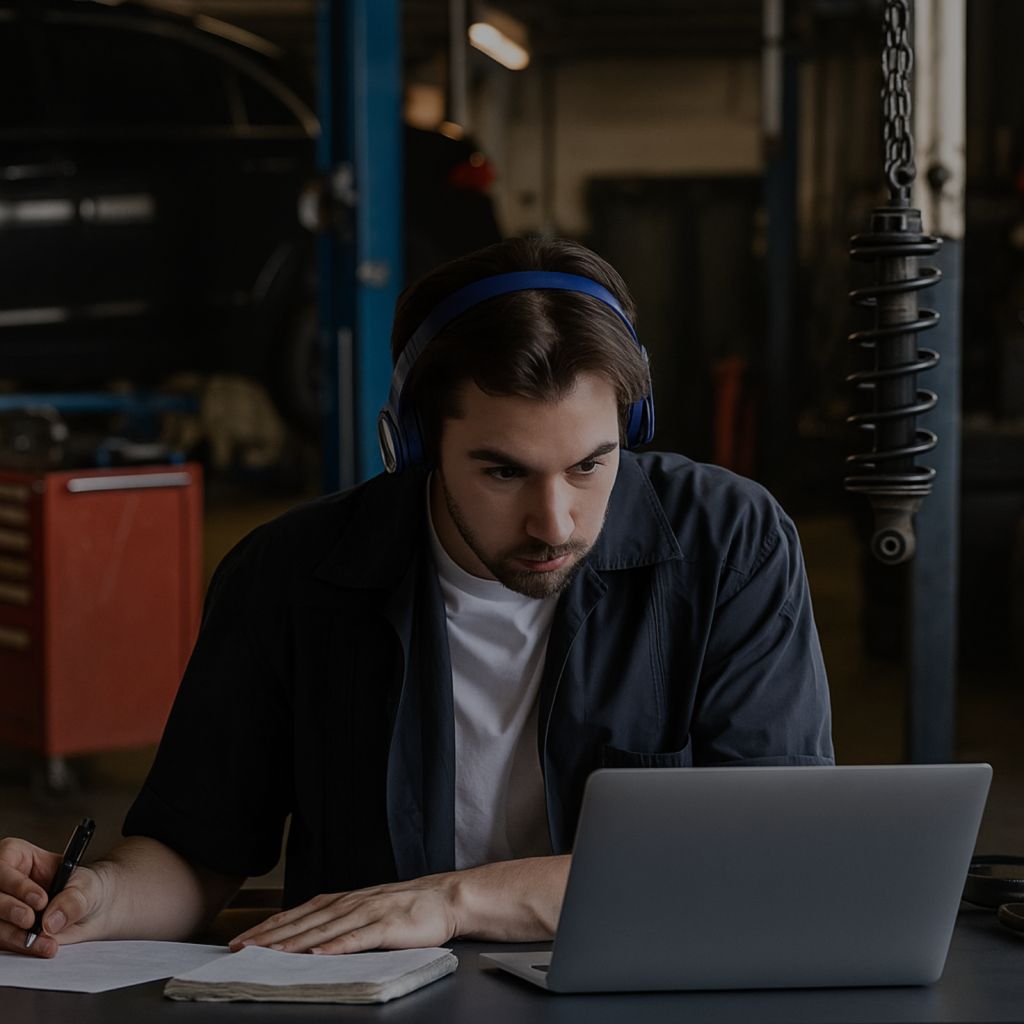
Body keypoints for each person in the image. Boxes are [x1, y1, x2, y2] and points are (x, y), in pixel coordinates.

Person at [0, 238, 833, 959]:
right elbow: (195, 854)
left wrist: (452, 900)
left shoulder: (732, 546)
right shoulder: (287, 577)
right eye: (504, 471)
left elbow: (765, 858)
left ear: (632, 426)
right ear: (416, 444)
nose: (555, 522)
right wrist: (97, 899)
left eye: (590, 464)